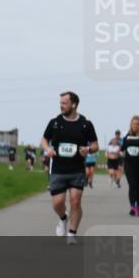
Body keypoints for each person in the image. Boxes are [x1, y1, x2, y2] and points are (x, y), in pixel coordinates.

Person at [40, 91, 98, 245]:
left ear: (74, 104)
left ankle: (72, 233)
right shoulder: (55, 122)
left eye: (64, 103)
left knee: (75, 201)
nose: (61, 106)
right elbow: (44, 140)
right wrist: (48, 150)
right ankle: (63, 219)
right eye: (60, 103)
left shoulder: (85, 124)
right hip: (58, 169)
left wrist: (88, 150)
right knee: (58, 203)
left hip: (77, 169)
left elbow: (95, 145)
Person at [121, 117, 139, 217]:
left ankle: (138, 205)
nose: (136, 125)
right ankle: (132, 206)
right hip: (129, 164)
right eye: (134, 124)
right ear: (131, 124)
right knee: (132, 185)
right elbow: (122, 146)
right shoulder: (126, 134)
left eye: (138, 124)